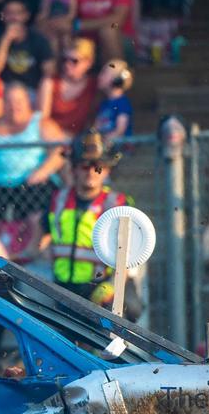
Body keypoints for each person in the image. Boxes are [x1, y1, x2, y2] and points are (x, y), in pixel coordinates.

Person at [42, 128, 138, 313]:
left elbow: (130, 254)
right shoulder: (57, 200)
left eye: (98, 166)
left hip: (100, 287)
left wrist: (112, 285)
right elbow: (41, 240)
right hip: (62, 287)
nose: (92, 172)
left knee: (124, 312)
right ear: (74, 168)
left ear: (107, 170)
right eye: (85, 166)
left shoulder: (119, 204)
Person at [0, 82, 67, 227]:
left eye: (18, 101)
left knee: (39, 200)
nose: (14, 106)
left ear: (27, 102)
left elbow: (61, 151)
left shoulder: (41, 123)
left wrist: (43, 171)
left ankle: (33, 245)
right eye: (9, 101)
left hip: (31, 184)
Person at [0, 0, 55, 94]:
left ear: (26, 15)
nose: (14, 17)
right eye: (9, 13)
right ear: (2, 15)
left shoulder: (39, 39)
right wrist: (6, 40)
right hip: (5, 89)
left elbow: (49, 72)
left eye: (18, 13)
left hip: (31, 90)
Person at [39, 38, 99, 138]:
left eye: (74, 61)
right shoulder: (49, 82)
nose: (67, 64)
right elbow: (43, 120)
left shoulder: (94, 85)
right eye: (65, 60)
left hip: (81, 141)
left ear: (88, 63)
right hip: (52, 139)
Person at [94, 59, 133, 141]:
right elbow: (97, 127)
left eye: (104, 74)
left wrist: (105, 141)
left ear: (117, 79)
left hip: (119, 149)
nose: (100, 76)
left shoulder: (122, 103)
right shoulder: (104, 104)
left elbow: (120, 130)